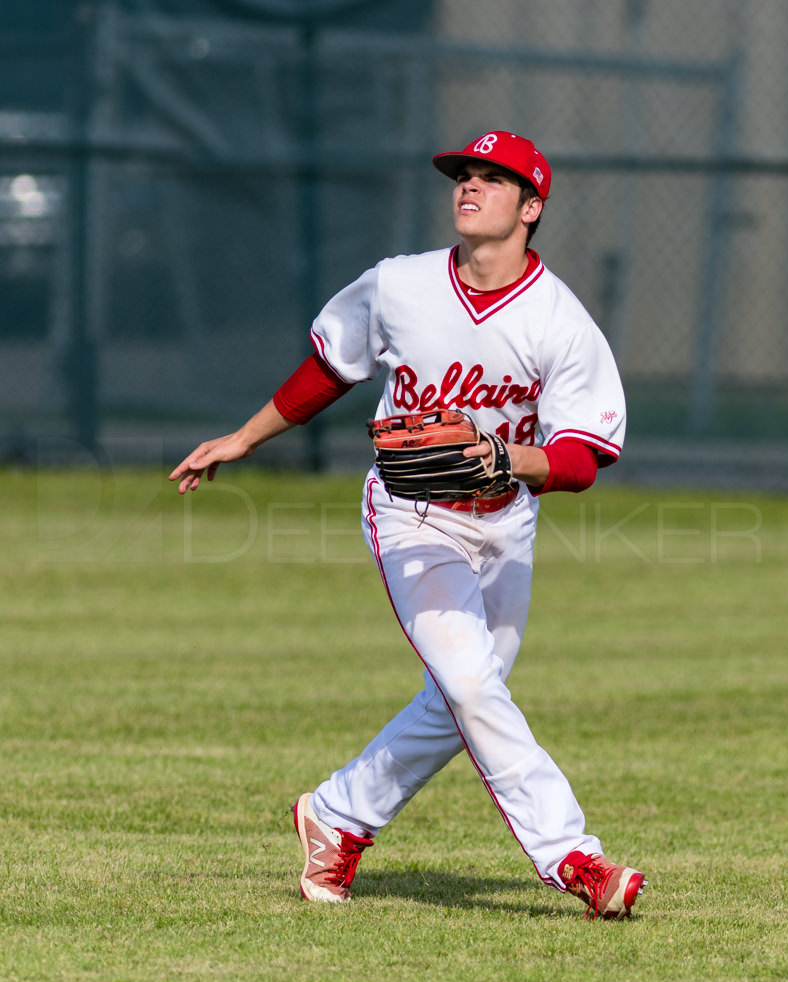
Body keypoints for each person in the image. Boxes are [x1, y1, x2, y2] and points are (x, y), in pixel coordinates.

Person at [169, 130, 646, 919]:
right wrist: (245, 437)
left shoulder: (559, 320)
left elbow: (583, 458)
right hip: (411, 514)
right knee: (470, 684)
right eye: (465, 174)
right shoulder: (400, 286)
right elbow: (331, 366)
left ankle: (337, 815)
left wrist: (507, 458)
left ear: (531, 208)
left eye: (494, 179)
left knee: (464, 699)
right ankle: (577, 860)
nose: (470, 185)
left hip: (506, 526)